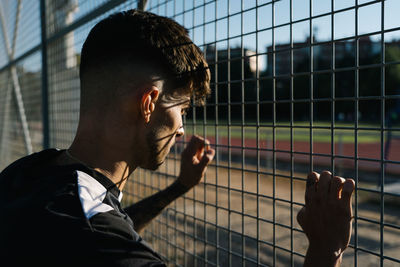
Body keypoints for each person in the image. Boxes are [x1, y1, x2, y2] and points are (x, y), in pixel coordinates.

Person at [0, 9, 355, 267]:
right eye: (182, 109)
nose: (182, 128)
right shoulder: (94, 232)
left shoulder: (32, 173)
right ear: (149, 102)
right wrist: (326, 252)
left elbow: (107, 224)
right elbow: (102, 235)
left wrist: (178, 187)